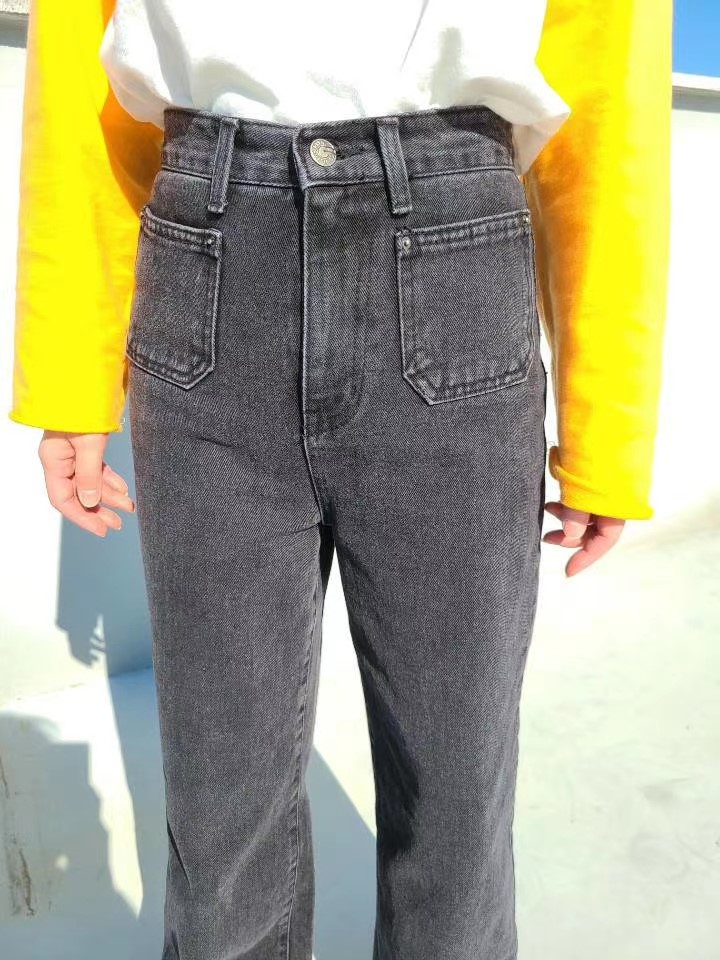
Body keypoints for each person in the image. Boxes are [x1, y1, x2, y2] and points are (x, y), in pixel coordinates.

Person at [9, 1, 671, 958]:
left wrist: (609, 430)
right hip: (208, 247)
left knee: (456, 787)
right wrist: (70, 379)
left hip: (454, 247)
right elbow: (80, 86)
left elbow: (608, 119)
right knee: (219, 797)